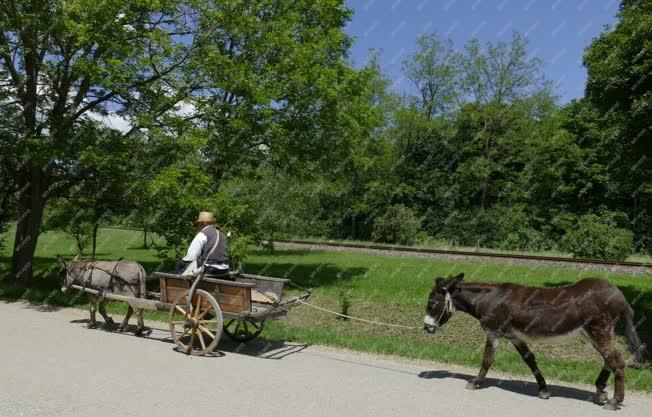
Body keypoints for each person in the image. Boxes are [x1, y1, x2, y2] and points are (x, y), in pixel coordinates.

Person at [175, 212, 230, 278]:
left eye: (198, 224)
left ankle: (181, 285)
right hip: (225, 269)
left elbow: (191, 257)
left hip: (211, 269)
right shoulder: (222, 234)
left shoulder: (202, 234)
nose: (197, 226)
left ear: (201, 223)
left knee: (180, 264)